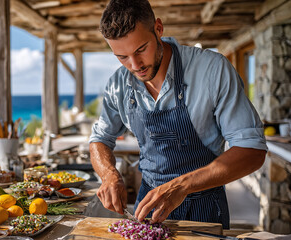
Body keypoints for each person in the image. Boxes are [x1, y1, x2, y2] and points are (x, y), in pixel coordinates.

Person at [89, 0, 267, 229]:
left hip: (205, 208)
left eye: (141, 49)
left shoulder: (212, 70)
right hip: (148, 208)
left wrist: (181, 186)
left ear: (159, 29)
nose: (135, 65)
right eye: (122, 57)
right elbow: (99, 139)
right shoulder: (118, 85)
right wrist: (109, 174)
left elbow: (252, 151)